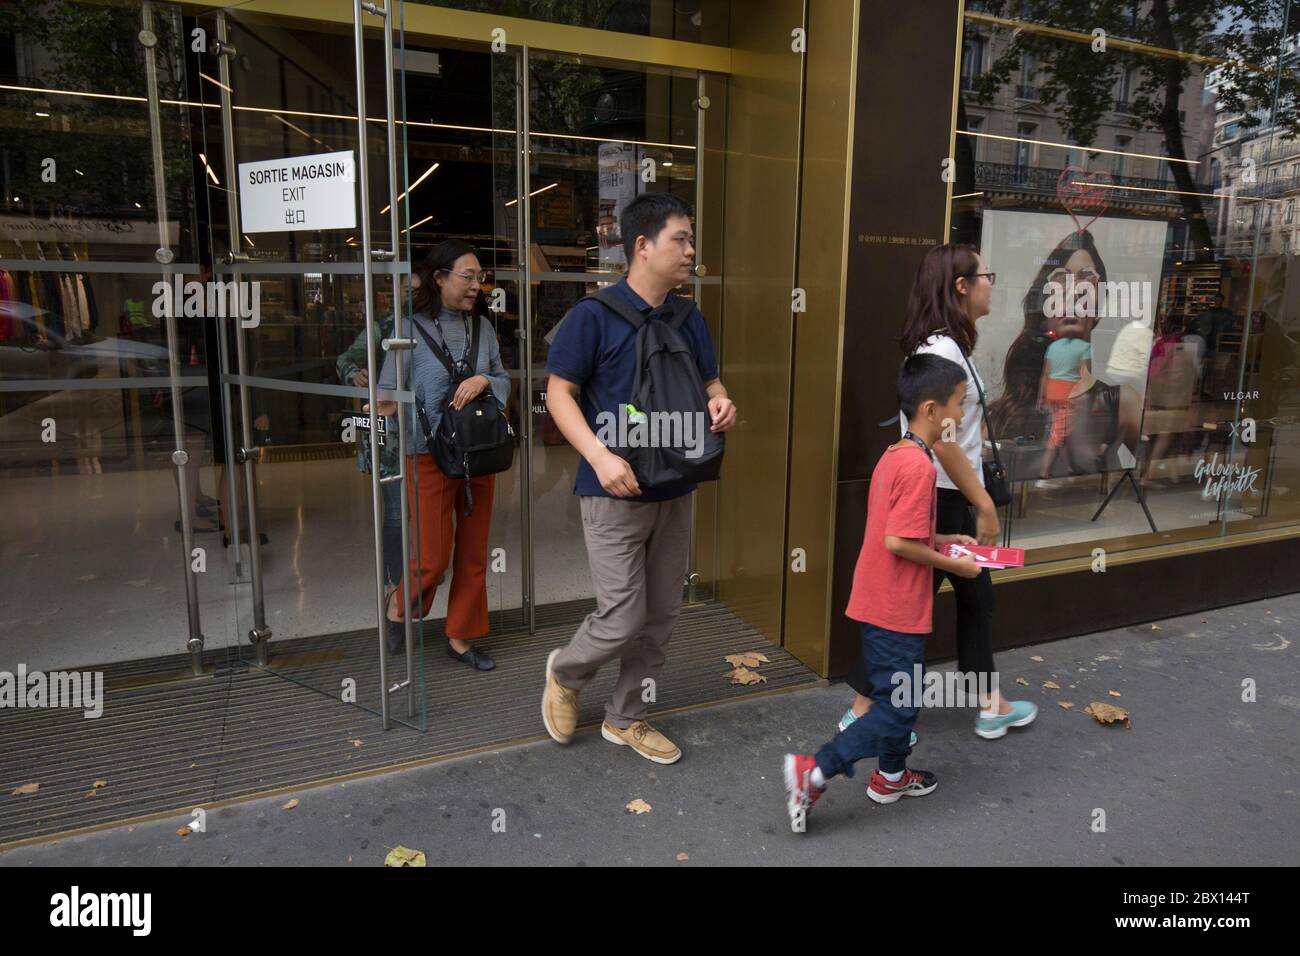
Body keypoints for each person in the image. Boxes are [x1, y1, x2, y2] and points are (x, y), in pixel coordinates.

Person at [539, 192, 737, 764]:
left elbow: (710, 383)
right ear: (642, 246)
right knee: (622, 614)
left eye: (690, 238)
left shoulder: (689, 316)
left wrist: (721, 403)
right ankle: (566, 673)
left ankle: (625, 718)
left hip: (677, 484)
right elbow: (558, 394)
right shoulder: (593, 316)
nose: (691, 249)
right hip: (614, 490)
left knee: (660, 617)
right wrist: (600, 457)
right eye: (681, 238)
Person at [841, 244, 1038, 741]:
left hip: (950, 491)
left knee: (972, 599)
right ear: (961, 287)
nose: (991, 282)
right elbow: (946, 442)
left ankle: (987, 703)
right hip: (946, 494)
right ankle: (864, 711)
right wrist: (983, 501)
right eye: (985, 274)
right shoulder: (941, 350)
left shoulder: (947, 346)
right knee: (916, 602)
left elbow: (957, 435)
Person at [783, 353, 981, 833]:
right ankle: (816, 770)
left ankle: (891, 776)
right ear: (931, 410)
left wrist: (942, 540)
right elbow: (898, 542)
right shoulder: (919, 468)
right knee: (898, 710)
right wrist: (953, 563)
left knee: (899, 697)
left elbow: (898, 532)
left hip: (879, 601)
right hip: (896, 608)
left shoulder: (898, 454)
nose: (961, 414)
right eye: (959, 403)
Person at [371, 240, 510, 668]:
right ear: (440, 278)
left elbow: (504, 379)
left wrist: (485, 381)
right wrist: (390, 421)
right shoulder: (406, 330)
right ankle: (399, 605)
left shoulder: (483, 329)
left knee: (473, 552)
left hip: (479, 454)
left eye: (480, 277)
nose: (476, 285)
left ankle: (461, 637)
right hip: (427, 455)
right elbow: (386, 397)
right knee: (431, 558)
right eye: (468, 276)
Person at [336, 304, 402, 602]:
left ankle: (424, 566)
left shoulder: (435, 325)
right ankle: (396, 577)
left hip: (426, 432)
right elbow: (345, 360)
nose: (412, 296)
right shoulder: (381, 329)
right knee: (396, 512)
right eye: (406, 290)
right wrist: (355, 374)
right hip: (389, 436)